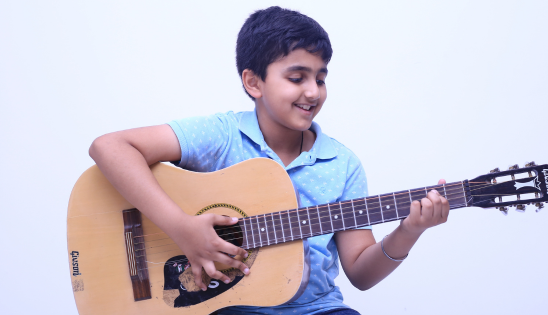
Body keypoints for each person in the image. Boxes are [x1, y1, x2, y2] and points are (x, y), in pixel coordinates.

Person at [89, 6, 449, 315]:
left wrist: (409, 230)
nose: (313, 91)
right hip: (226, 306)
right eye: (297, 78)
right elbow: (110, 147)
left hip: (318, 308)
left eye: (321, 79)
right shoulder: (222, 135)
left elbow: (361, 274)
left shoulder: (342, 164)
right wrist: (182, 228)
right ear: (253, 82)